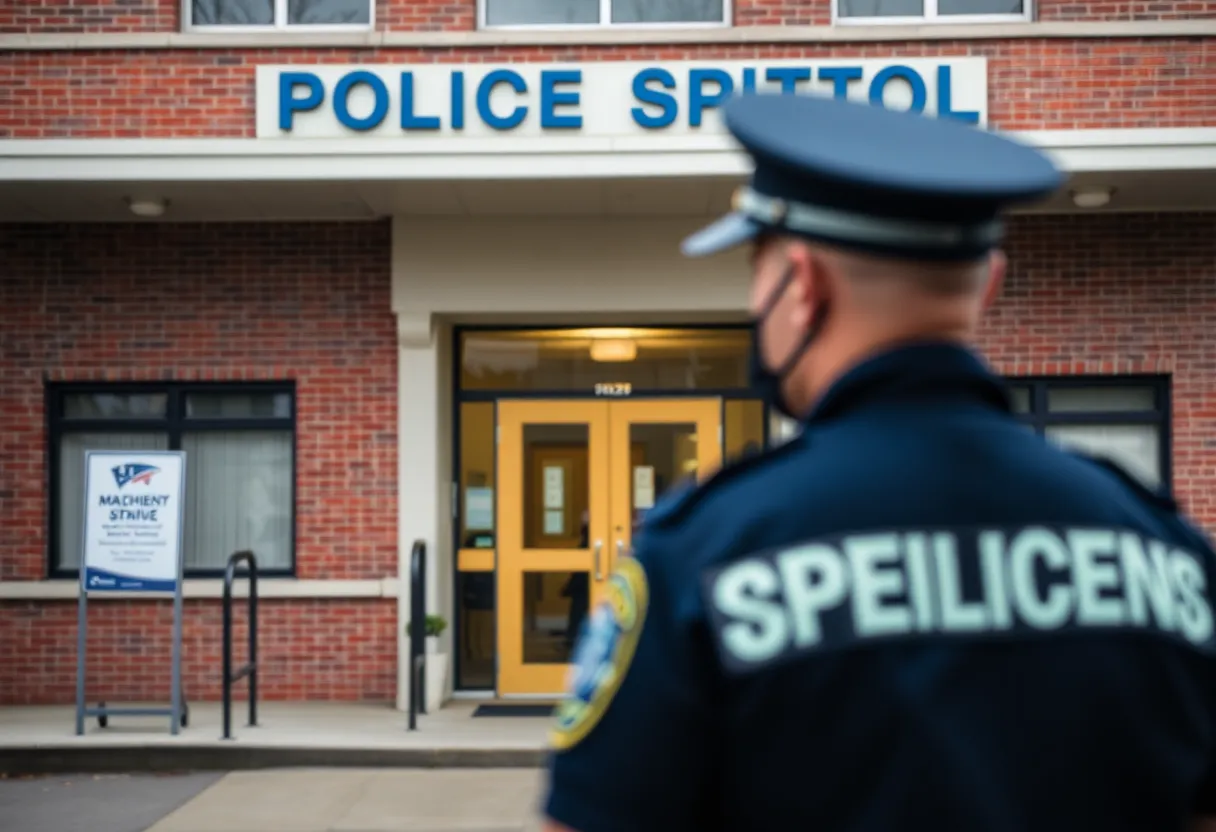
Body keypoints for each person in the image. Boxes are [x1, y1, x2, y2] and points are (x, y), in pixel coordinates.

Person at [539, 90, 1216, 832]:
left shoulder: (704, 553)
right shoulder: (1167, 553)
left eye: (755, 274)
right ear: (987, 285)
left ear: (804, 285)